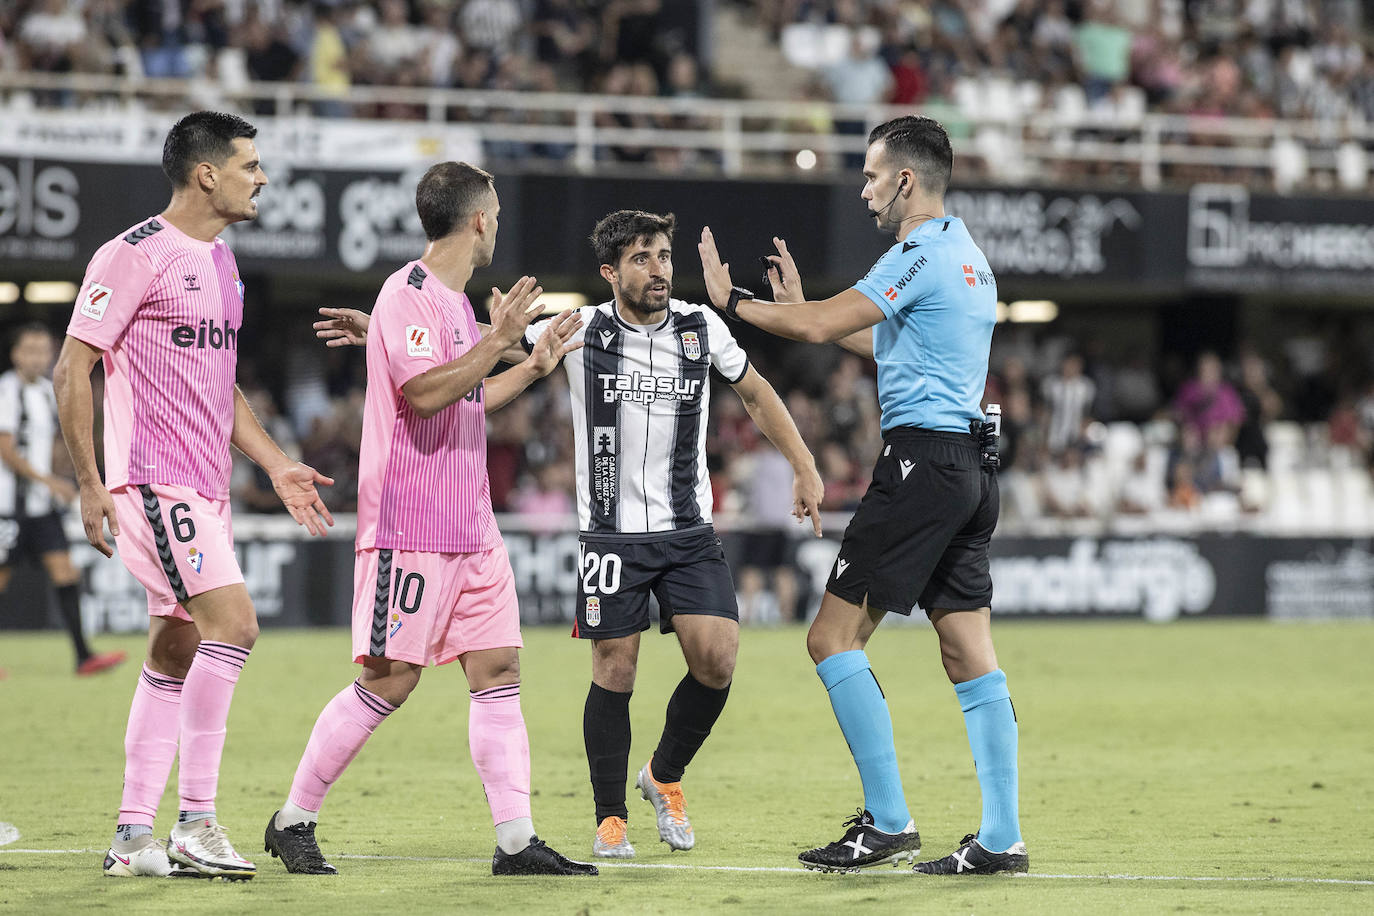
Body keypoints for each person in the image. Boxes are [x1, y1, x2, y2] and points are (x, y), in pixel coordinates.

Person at [314, 209, 825, 861]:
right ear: (611, 272)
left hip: (689, 530)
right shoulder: (580, 329)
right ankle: (611, 817)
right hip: (610, 536)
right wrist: (381, 332)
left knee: (717, 659)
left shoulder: (702, 328)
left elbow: (756, 394)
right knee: (616, 668)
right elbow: (484, 342)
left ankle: (663, 774)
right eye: (642, 259)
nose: (659, 269)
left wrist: (805, 464)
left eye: (664, 256)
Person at [698, 115, 1027, 875]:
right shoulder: (967, 257)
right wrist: (803, 311)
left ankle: (886, 823)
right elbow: (878, 339)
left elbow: (817, 326)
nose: (865, 188)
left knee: (830, 639)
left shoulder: (915, 252)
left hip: (923, 468)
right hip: (972, 469)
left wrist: (734, 302)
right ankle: (1001, 837)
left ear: (906, 180)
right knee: (967, 651)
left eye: (874, 175)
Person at [263, 162, 597, 878]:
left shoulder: (452, 305)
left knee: (499, 668)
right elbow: (423, 394)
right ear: (477, 220)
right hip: (409, 528)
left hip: (472, 528)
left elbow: (470, 397)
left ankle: (516, 841)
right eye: (496, 214)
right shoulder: (409, 293)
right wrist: (495, 337)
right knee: (391, 680)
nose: (499, 227)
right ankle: (292, 819)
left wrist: (531, 365)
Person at [54, 111, 336, 880]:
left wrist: (276, 464)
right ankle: (196, 823)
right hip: (151, 479)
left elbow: (221, 385)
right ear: (207, 174)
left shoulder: (222, 264)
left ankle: (129, 836)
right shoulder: (133, 254)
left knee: (176, 649)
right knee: (234, 626)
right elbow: (71, 368)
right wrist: (89, 480)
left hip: (204, 488)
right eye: (250, 164)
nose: (263, 176)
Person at [1, 323, 127, 676]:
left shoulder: (44, 393)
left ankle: (83, 656)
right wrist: (50, 482)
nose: (38, 358)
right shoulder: (6, 392)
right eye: (30, 350)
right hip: (8, 506)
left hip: (41, 507)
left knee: (65, 572)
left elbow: (52, 443)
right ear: (15, 354)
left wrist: (65, 476)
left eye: (44, 351)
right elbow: (6, 450)